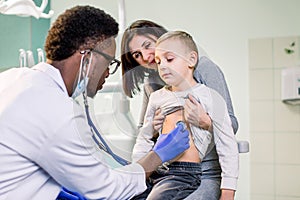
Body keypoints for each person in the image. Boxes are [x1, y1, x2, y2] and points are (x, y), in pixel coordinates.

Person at [0, 6, 190, 200]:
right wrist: (158, 155)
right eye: (109, 63)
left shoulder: (10, 79)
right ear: (88, 57)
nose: (108, 72)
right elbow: (108, 190)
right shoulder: (60, 110)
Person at [121, 20, 239, 200]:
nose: (145, 56)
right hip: (162, 168)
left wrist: (204, 121)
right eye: (137, 54)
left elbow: (231, 127)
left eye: (147, 46)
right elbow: (144, 133)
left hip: (204, 172)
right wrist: (153, 128)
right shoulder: (153, 89)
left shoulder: (204, 70)